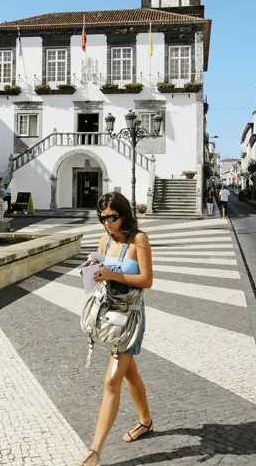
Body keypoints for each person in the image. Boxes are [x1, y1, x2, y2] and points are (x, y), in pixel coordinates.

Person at [80, 192, 154, 466]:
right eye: (103, 218)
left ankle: (94, 451)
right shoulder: (105, 240)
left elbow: (147, 279)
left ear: (124, 214)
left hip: (130, 320)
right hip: (110, 317)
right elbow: (101, 270)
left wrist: (112, 274)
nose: (107, 223)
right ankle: (145, 421)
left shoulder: (138, 240)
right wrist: (93, 270)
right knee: (129, 373)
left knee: (111, 381)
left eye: (112, 217)